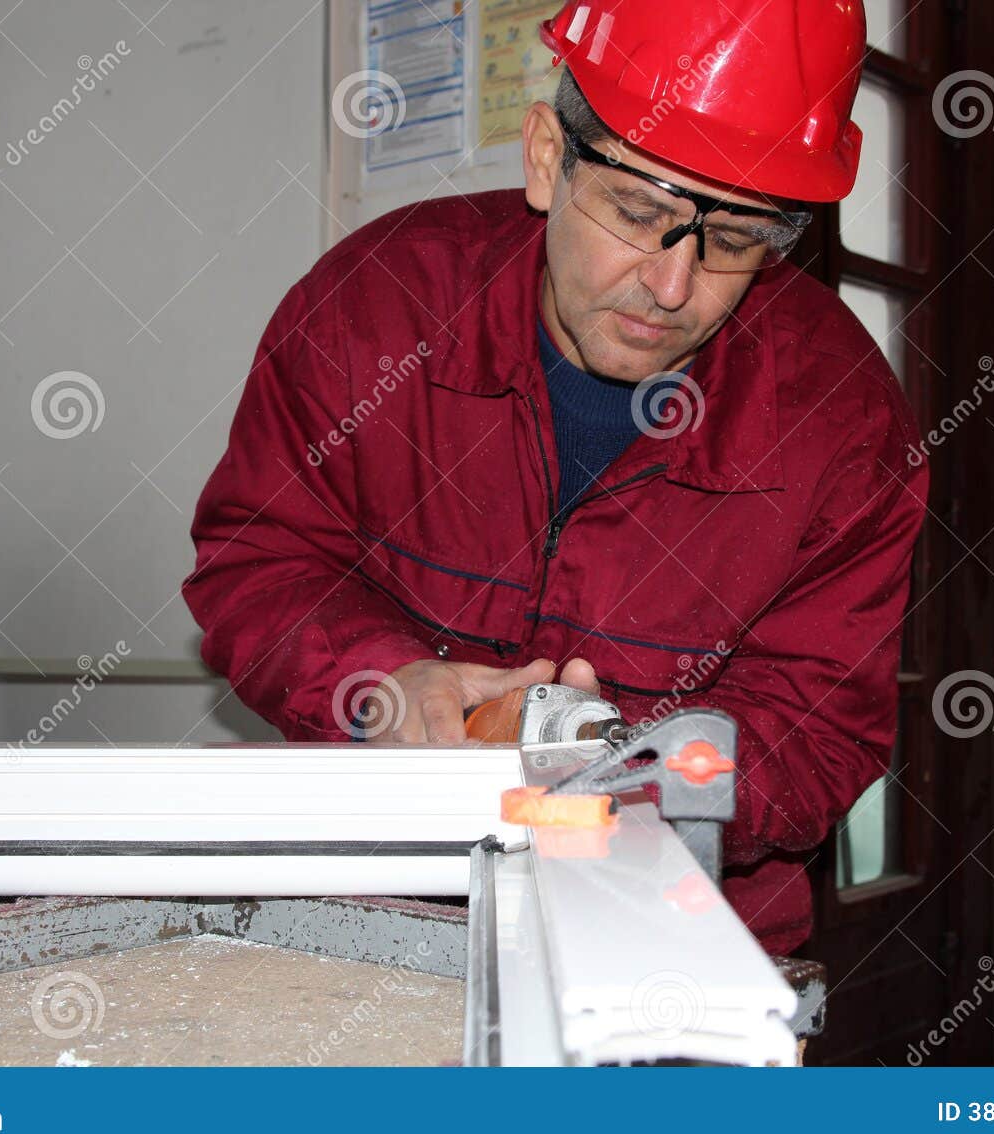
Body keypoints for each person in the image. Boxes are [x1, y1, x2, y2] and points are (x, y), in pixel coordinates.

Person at [183, 0, 929, 955]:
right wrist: (377, 682)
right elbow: (258, 560)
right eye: (638, 211)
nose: (671, 285)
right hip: (376, 920)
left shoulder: (844, 421)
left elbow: (823, 729)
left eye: (735, 238)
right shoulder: (373, 308)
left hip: (675, 950)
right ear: (545, 155)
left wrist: (642, 773)